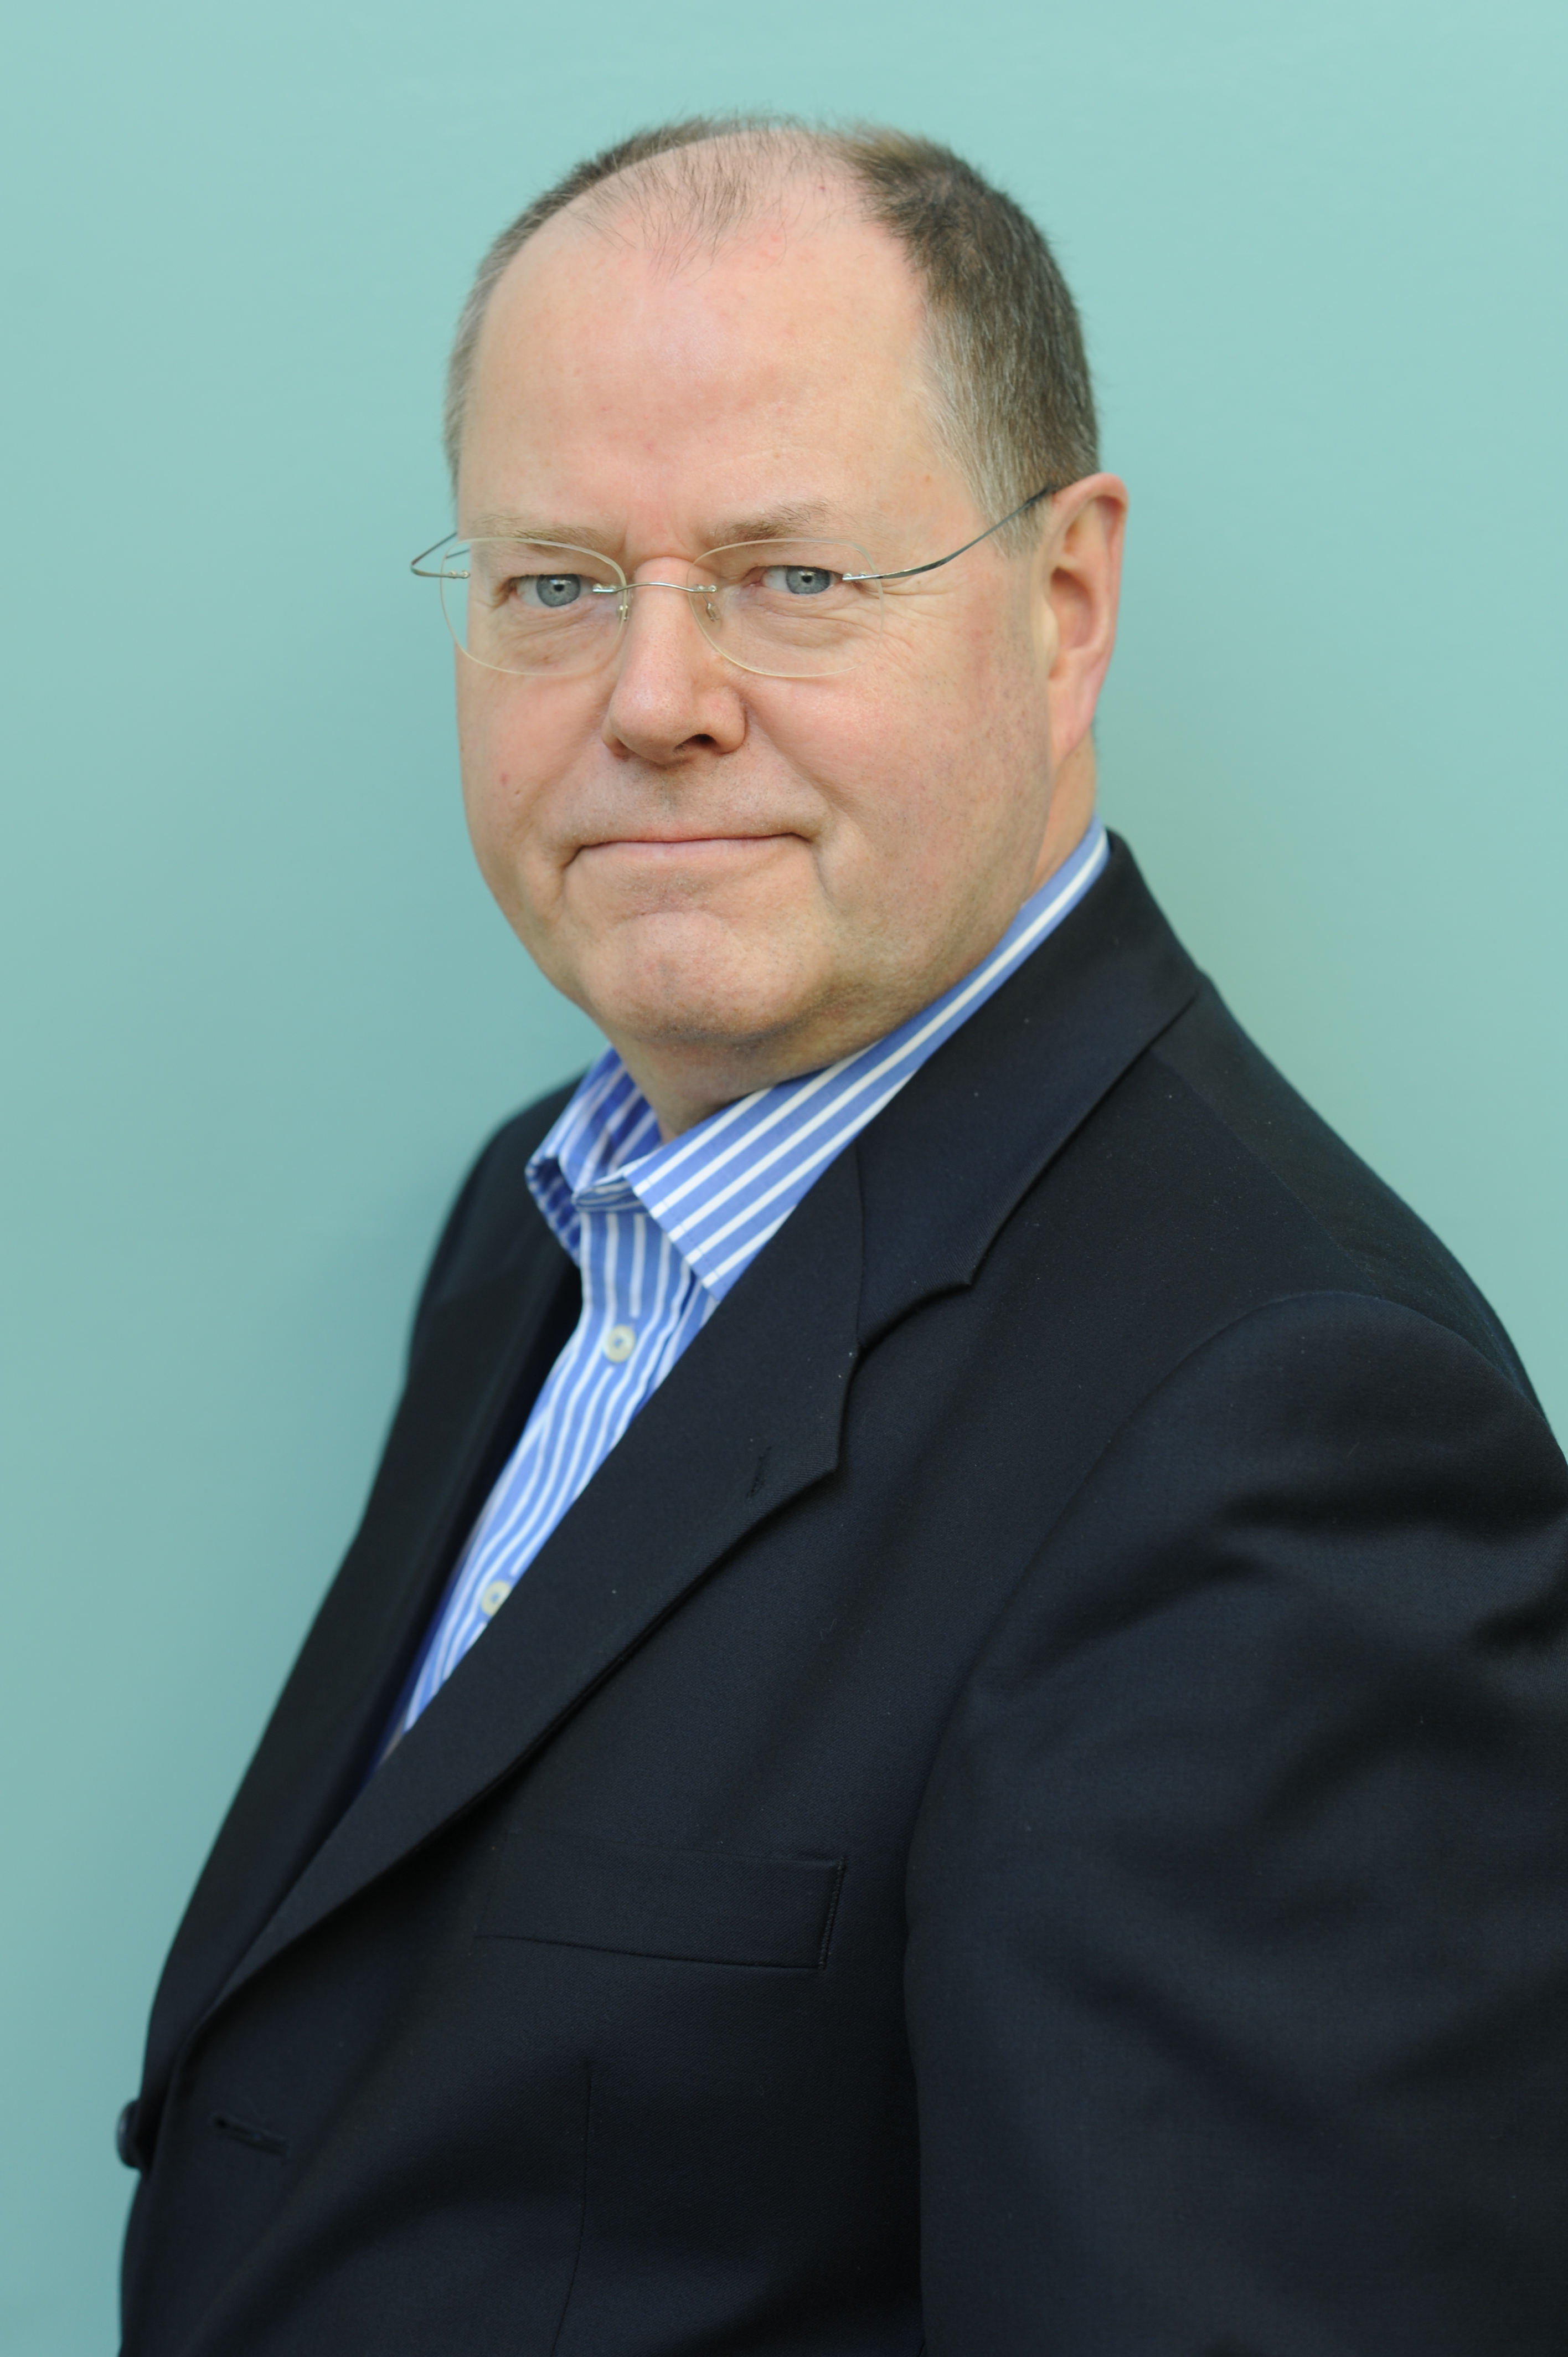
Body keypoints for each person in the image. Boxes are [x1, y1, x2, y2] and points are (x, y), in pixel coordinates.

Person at [117, 117, 1568, 2356]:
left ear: (1063, 608)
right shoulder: (537, 1226)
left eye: (791, 575)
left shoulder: (1290, 1438)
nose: (655, 698)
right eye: (555, 582)